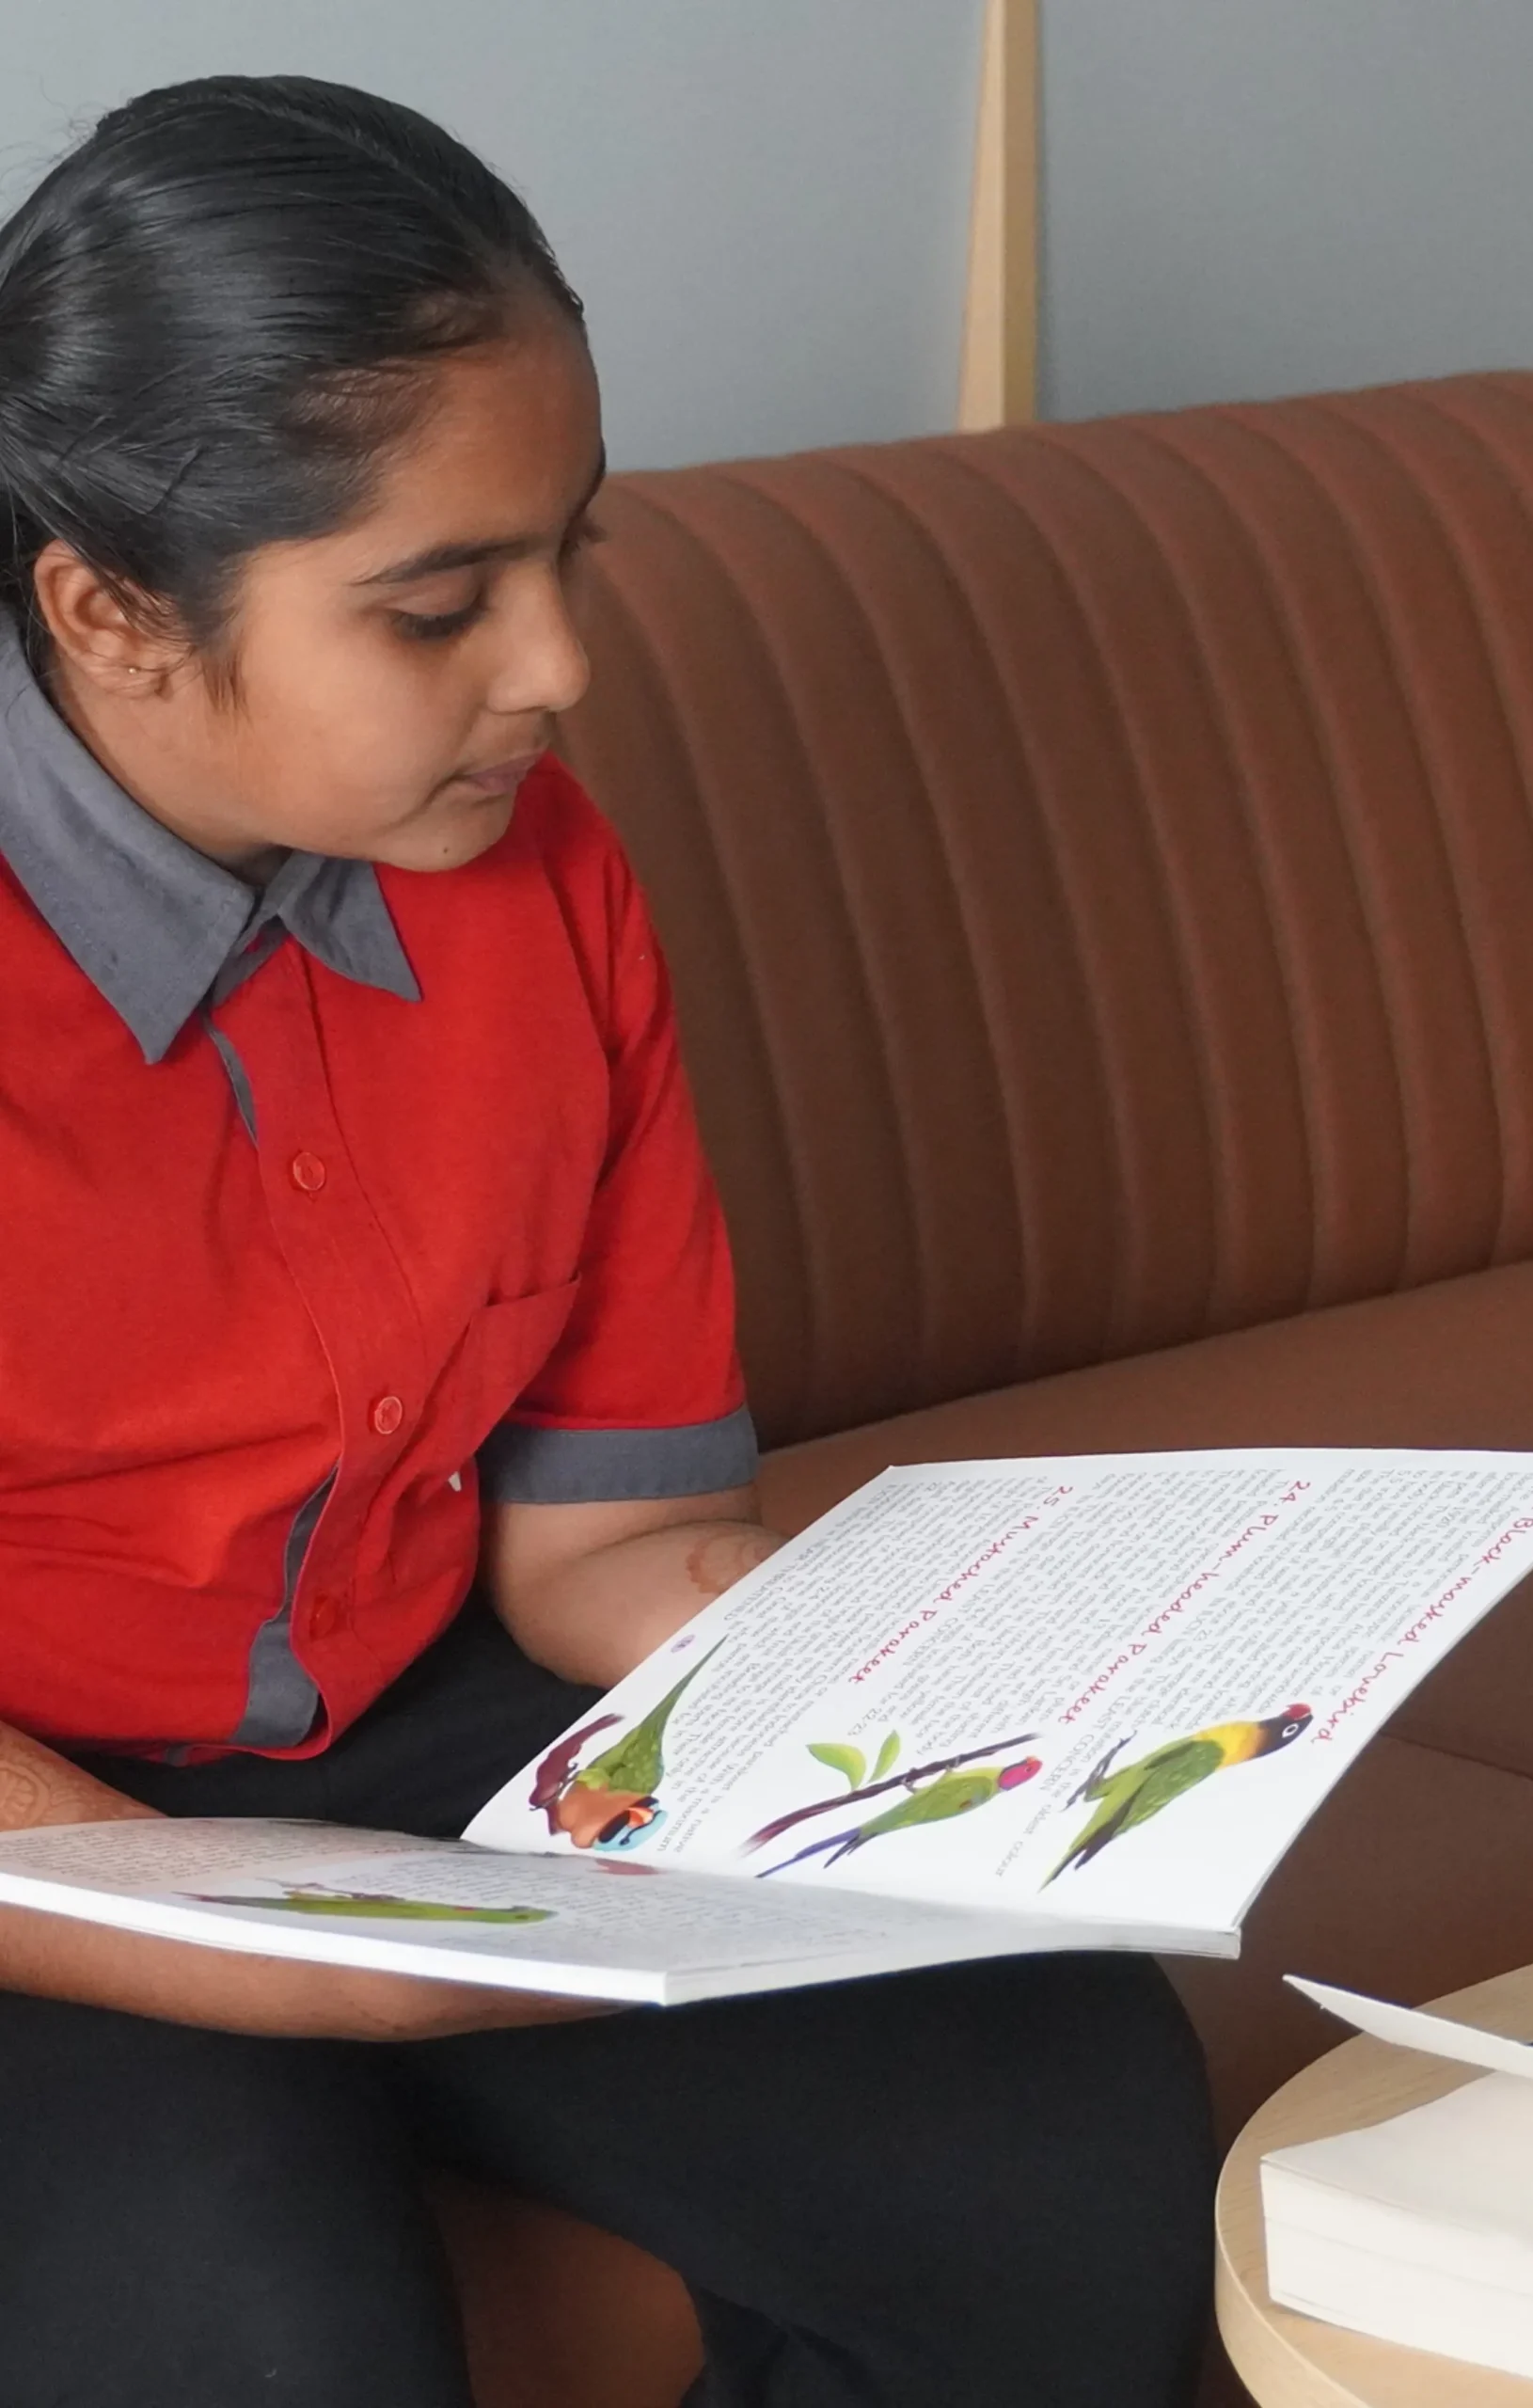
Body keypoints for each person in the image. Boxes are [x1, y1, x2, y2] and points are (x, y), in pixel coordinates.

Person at [0, 75, 1215, 2408]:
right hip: (37, 1830)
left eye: (572, 553)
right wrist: (273, 1950)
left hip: (407, 1742)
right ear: (112, 611)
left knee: (1056, 2112)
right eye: (440, 603)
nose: (556, 667)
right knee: (253, 2309)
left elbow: (617, 1540)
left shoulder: (540, 877)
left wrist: (989, 1702)